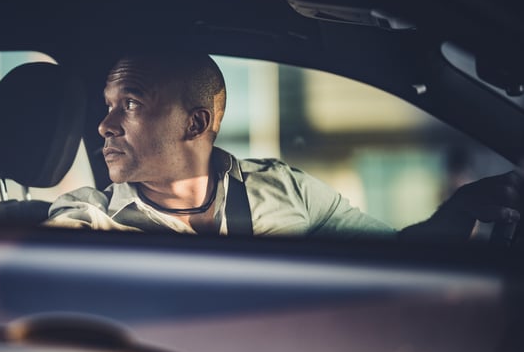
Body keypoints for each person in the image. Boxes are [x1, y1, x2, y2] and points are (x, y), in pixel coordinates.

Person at [45, 51, 522, 241]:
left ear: (196, 123)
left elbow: (394, 258)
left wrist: (456, 213)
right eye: (107, 105)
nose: (104, 125)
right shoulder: (89, 219)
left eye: (128, 104)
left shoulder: (286, 189)